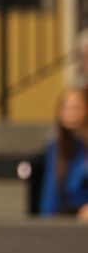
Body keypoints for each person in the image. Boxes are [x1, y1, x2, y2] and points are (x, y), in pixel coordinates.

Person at [38, 87, 88, 219]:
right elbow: (50, 193)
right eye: (66, 107)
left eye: (76, 107)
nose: (71, 112)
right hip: (67, 216)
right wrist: (46, 222)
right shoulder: (55, 147)